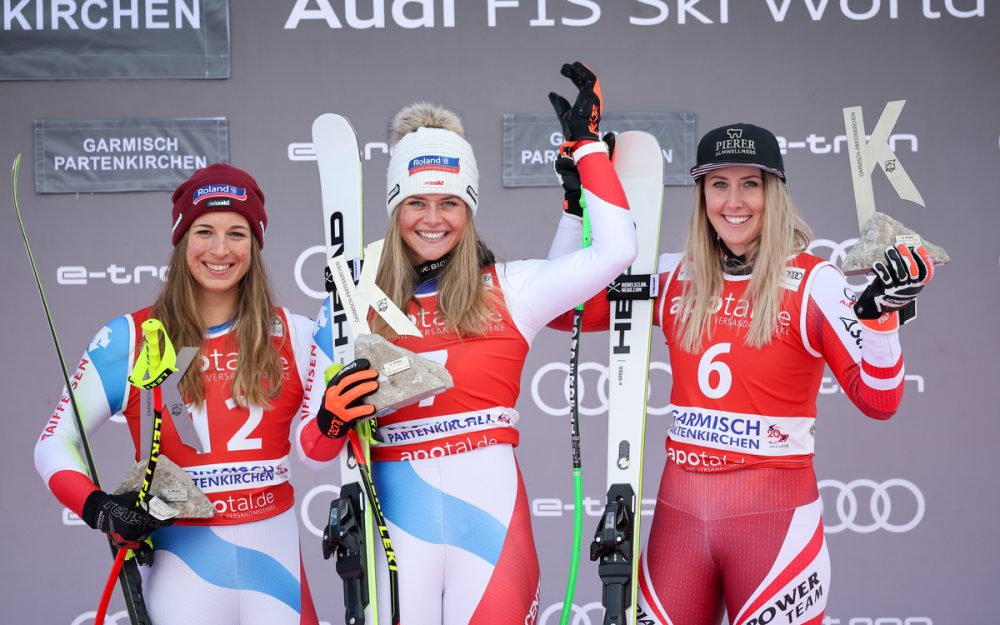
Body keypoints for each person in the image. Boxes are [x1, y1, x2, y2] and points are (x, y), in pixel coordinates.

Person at [549, 123, 934, 625]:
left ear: (773, 192)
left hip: (773, 526)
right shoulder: (673, 275)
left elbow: (879, 400)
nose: (734, 201)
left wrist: (881, 317)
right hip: (680, 524)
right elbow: (561, 309)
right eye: (719, 184)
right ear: (702, 194)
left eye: (750, 184)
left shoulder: (814, 282)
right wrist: (577, 207)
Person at [296, 62, 637, 624]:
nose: (433, 219)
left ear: (470, 209)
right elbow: (311, 449)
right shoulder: (351, 303)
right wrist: (332, 419)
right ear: (394, 208)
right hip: (398, 532)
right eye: (416, 203)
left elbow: (615, 251)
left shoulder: (510, 289)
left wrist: (586, 151)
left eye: (450, 203)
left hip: (492, 527)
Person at [34, 164, 319, 625]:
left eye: (238, 233)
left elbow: (330, 441)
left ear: (256, 243)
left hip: (276, 573)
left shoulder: (298, 334)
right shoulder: (130, 339)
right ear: (182, 239)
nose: (220, 249)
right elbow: (53, 442)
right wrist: (98, 507)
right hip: (183, 574)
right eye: (204, 231)